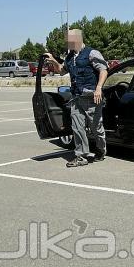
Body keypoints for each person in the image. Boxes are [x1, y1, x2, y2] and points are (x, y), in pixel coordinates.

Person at [45, 29, 109, 168]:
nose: (67, 43)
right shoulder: (70, 57)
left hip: (91, 97)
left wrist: (98, 88)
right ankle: (81, 156)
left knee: (96, 127)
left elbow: (103, 70)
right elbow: (61, 71)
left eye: (69, 40)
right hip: (76, 97)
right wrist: (53, 61)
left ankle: (101, 150)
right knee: (77, 127)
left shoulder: (92, 53)